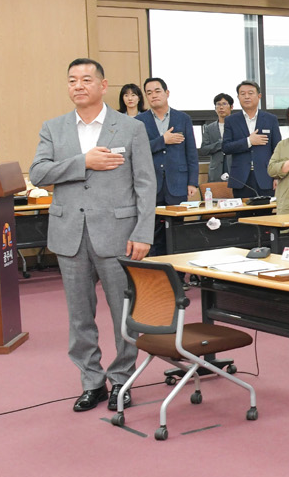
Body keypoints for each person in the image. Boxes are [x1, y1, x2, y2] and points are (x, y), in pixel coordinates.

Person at [30, 58, 157, 414]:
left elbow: (146, 184)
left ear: (103, 85)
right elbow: (38, 173)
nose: (78, 86)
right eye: (72, 80)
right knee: (79, 316)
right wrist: (83, 162)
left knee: (123, 313)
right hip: (69, 235)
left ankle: (122, 380)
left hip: (119, 233)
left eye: (86, 79)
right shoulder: (53, 128)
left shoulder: (130, 128)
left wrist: (143, 231)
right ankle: (91, 382)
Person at [137, 77, 198, 207]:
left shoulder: (183, 118)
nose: (154, 95)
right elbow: (138, 150)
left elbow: (191, 153)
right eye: (149, 93)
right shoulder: (139, 121)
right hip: (151, 184)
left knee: (177, 219)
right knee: (153, 220)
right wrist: (163, 140)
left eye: (157, 91)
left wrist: (192, 182)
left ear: (167, 93)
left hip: (178, 182)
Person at [220, 80, 281, 199]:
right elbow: (226, 147)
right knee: (243, 211)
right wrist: (248, 141)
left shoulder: (270, 119)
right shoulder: (231, 120)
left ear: (259, 96)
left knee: (267, 211)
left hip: (266, 177)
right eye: (242, 94)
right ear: (238, 97)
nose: (246, 96)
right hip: (241, 179)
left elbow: (278, 150)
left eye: (250, 93)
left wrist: (277, 176)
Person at [199, 92, 233, 187]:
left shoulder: (238, 126)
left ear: (231, 107)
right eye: (218, 104)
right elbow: (204, 149)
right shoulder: (209, 128)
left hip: (234, 170)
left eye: (224, 104)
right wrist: (220, 144)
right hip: (216, 172)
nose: (221, 107)